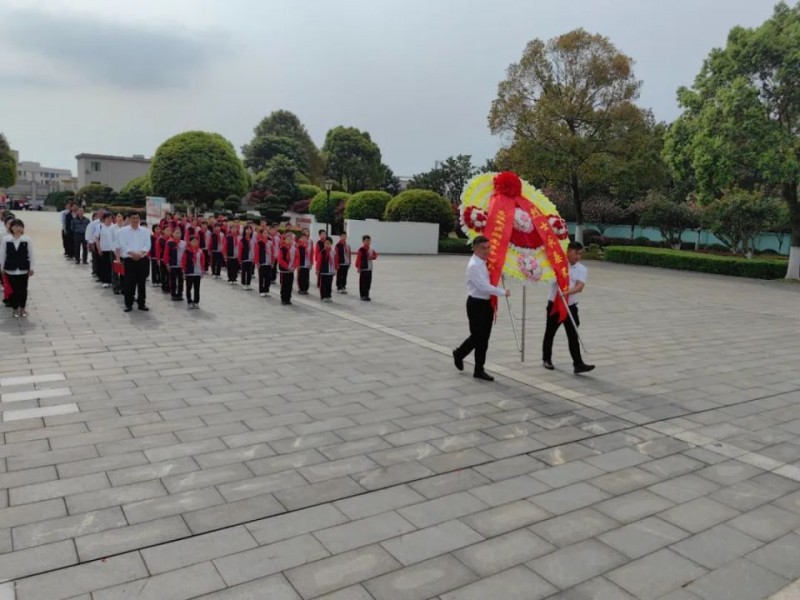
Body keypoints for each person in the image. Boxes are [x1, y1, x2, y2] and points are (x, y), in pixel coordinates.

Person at [452, 235, 510, 382]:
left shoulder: (484, 262)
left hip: (485, 304)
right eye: (483, 248)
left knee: (484, 339)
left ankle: (478, 369)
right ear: (475, 248)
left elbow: (490, 276)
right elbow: (483, 287)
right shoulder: (474, 265)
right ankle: (460, 354)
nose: (486, 251)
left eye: (488, 247)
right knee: (477, 337)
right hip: (476, 304)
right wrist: (503, 292)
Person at [542, 241, 595, 374]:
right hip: (555, 304)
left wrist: (567, 293)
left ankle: (578, 364)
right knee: (550, 333)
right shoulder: (557, 265)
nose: (578, 256)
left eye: (580, 254)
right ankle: (546, 359)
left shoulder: (582, 269)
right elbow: (549, 279)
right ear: (569, 251)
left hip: (570, 306)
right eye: (576, 253)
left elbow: (580, 287)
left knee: (573, 335)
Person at [117, 213, 151, 312]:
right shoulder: (122, 231)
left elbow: (147, 244)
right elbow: (123, 244)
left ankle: (142, 303)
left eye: (137, 218)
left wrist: (140, 254)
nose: (136, 220)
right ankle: (128, 304)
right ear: (129, 219)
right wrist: (132, 253)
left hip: (142, 259)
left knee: (142, 283)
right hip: (129, 260)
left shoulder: (145, 231)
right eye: (133, 218)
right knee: (129, 283)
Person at [0, 219, 34, 318]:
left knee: (23, 290)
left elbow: (31, 254)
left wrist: (31, 267)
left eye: (20, 226)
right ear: (11, 228)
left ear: (23, 228)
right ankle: (15, 309)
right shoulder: (6, 240)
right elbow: (2, 254)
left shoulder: (27, 240)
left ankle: (23, 308)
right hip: (10, 269)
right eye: (15, 226)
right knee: (13, 291)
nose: (18, 228)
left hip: (23, 268)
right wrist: (2, 268)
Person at [181, 236, 205, 309]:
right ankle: (189, 301)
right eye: (193, 241)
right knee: (189, 288)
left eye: (196, 241)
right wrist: (183, 270)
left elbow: (202, 261)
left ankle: (196, 301)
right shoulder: (187, 251)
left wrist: (202, 270)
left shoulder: (200, 251)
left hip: (197, 272)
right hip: (189, 272)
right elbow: (183, 261)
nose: (195, 243)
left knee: (197, 288)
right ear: (190, 242)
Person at [164, 227, 186, 301]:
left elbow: (186, 254)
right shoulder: (169, 243)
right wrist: (167, 263)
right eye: (176, 233)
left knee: (181, 280)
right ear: (172, 234)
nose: (178, 234)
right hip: (172, 265)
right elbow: (166, 254)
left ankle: (180, 294)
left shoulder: (183, 243)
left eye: (179, 233)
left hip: (181, 265)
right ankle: (173, 294)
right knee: (173, 280)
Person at [355, 234, 378, 301]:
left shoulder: (371, 249)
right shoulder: (361, 250)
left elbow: (375, 255)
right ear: (363, 241)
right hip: (363, 268)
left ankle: (367, 294)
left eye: (369, 240)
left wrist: (373, 257)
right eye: (366, 240)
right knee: (363, 282)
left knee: (368, 282)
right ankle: (362, 295)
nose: (368, 242)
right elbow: (358, 258)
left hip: (369, 268)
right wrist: (358, 267)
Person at [96, 212, 115, 288]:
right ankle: (105, 281)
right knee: (104, 265)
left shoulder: (114, 227)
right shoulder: (100, 226)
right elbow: (96, 238)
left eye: (111, 218)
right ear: (104, 219)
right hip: (104, 248)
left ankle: (112, 281)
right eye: (108, 218)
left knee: (112, 266)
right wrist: (99, 248)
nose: (109, 220)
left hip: (112, 249)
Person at [278, 232, 298, 305]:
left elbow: (296, 258)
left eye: (291, 239)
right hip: (284, 270)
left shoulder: (294, 249)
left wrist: (294, 266)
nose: (289, 241)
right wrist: (287, 267)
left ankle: (288, 298)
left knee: (289, 285)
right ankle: (283, 299)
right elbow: (280, 259)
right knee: (284, 285)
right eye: (288, 239)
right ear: (284, 240)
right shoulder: (282, 248)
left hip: (291, 270)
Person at [255, 229, 273, 297]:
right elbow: (257, 253)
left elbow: (272, 252)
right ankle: (261, 290)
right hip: (262, 262)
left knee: (268, 277)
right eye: (264, 233)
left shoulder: (270, 242)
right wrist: (257, 262)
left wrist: (272, 261)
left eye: (267, 233)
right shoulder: (259, 242)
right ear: (262, 234)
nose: (266, 234)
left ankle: (267, 290)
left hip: (268, 262)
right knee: (261, 277)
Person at [318, 237, 337, 302]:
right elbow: (319, 261)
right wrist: (318, 269)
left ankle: (328, 296)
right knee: (323, 284)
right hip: (324, 270)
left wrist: (335, 269)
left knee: (329, 284)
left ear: (331, 244)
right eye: (325, 243)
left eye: (328, 243)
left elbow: (335, 261)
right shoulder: (322, 252)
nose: (327, 244)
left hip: (331, 271)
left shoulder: (333, 252)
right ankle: (323, 296)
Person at [239, 226, 256, 290]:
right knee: (244, 271)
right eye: (247, 229)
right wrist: (240, 258)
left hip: (251, 258)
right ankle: (243, 283)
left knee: (249, 272)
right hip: (244, 258)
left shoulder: (253, 240)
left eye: (250, 229)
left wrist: (254, 258)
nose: (248, 231)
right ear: (244, 231)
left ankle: (248, 284)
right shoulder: (242, 240)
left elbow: (255, 249)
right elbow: (240, 250)